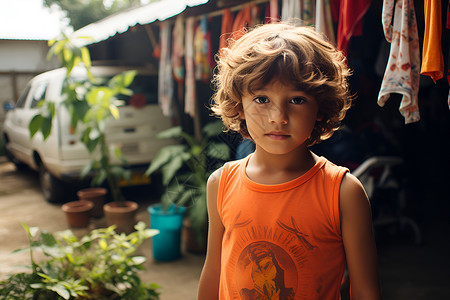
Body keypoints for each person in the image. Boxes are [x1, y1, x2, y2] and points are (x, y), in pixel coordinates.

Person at [197, 22, 381, 300]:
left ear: (320, 107)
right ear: (238, 105)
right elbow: (213, 271)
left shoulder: (343, 193)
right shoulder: (220, 184)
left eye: (296, 100)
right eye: (261, 99)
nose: (278, 117)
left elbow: (366, 292)